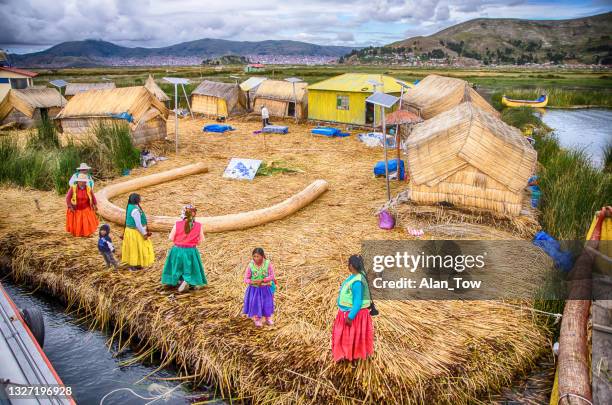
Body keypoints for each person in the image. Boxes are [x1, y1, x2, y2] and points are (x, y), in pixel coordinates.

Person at [331, 255, 375, 362]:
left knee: (350, 336)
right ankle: (346, 354)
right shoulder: (354, 276)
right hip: (348, 311)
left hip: (354, 314)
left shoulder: (357, 281)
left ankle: (350, 355)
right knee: (346, 336)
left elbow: (358, 302)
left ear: (351, 265)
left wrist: (350, 317)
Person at [161, 205, 207, 292]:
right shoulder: (198, 225)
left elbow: (171, 237)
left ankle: (178, 281)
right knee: (190, 267)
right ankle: (189, 282)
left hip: (177, 250)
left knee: (177, 266)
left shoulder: (177, 224)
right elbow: (201, 240)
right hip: (191, 250)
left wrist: (180, 240)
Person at [243, 248, 276, 327]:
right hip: (254, 289)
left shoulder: (268, 264)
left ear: (262, 256)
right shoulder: (251, 265)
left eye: (258, 256)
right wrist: (253, 282)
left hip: (265, 288)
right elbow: (246, 279)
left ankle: (268, 318)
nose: (256, 258)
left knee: (266, 303)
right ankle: (257, 319)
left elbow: (272, 276)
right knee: (256, 304)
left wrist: (263, 280)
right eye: (254, 256)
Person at [121, 193, 154, 270]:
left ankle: (136, 264)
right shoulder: (135, 210)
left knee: (134, 247)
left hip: (129, 231)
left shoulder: (130, 206)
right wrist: (144, 233)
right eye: (139, 198)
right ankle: (133, 265)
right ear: (136, 199)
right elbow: (138, 224)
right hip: (134, 232)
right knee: (136, 248)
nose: (141, 198)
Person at [65, 173, 99, 237]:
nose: (83, 183)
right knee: (77, 224)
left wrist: (95, 205)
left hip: (86, 209)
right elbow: (67, 198)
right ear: (78, 181)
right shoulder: (73, 188)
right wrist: (70, 206)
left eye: (84, 181)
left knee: (86, 223)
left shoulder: (88, 188)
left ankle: (86, 233)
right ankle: (78, 233)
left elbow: (93, 197)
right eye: (81, 181)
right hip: (76, 209)